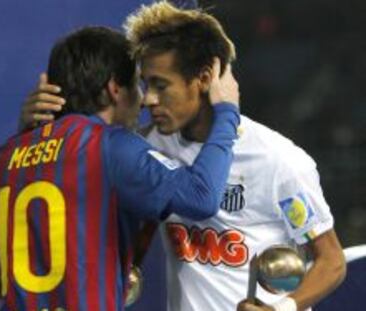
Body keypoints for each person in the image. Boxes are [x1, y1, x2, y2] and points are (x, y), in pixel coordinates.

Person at [20, 2, 346, 311]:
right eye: (145, 84)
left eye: (161, 85)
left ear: (204, 80)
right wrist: (35, 132)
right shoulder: (150, 145)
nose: (148, 99)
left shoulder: (278, 160)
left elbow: (331, 262)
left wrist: (281, 308)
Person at [0, 26, 241, 311]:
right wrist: (227, 112)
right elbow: (201, 196)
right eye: (137, 85)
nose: (144, 100)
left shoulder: (1, 158)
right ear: (114, 89)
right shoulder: (109, 146)